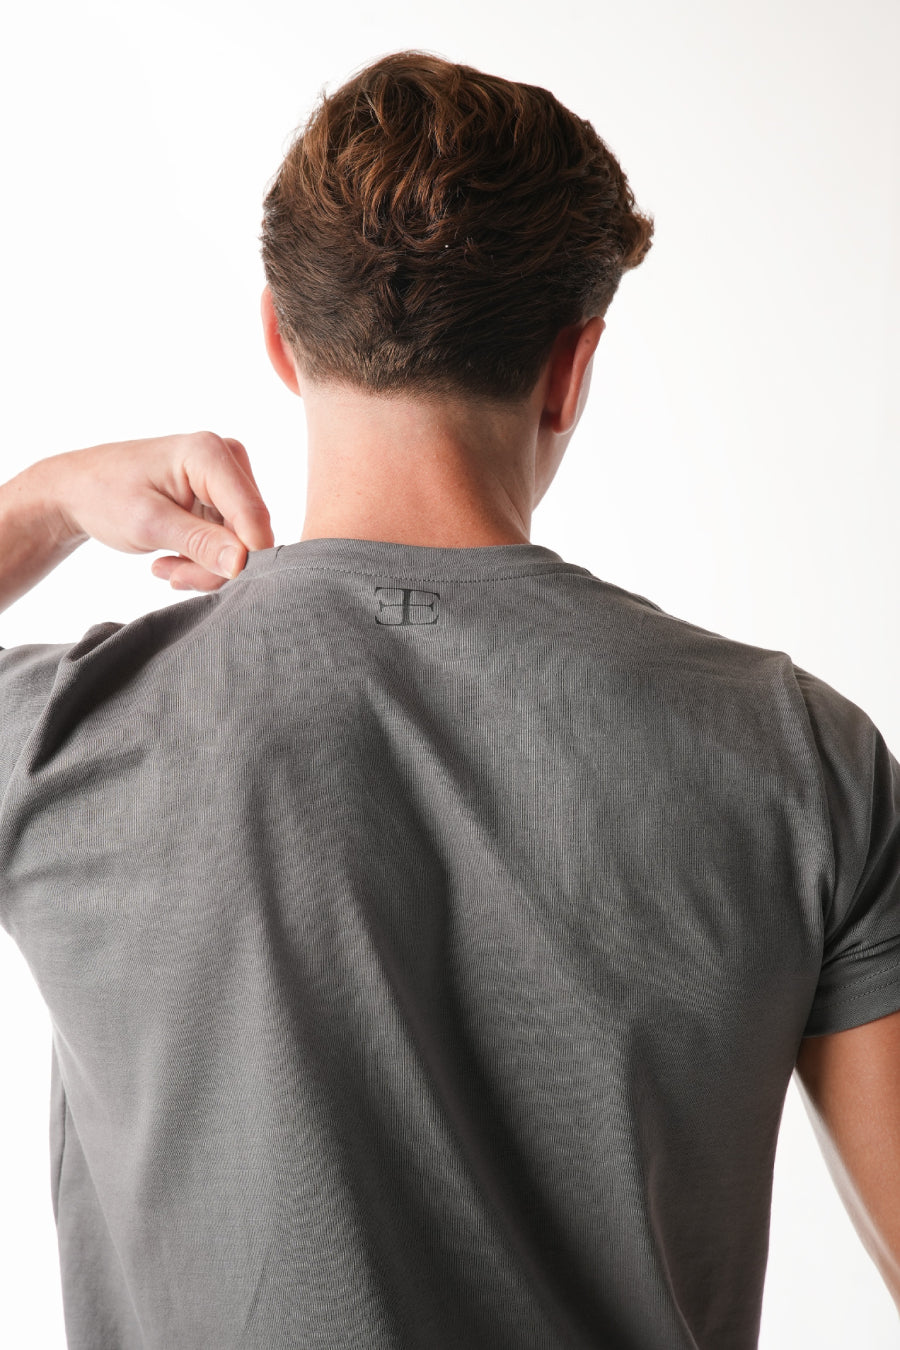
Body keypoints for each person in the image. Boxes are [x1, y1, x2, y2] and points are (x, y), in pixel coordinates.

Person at [0, 48, 898, 1350]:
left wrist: (42, 499)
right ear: (571, 367)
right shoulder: (800, 759)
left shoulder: (64, 737)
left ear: (277, 338)